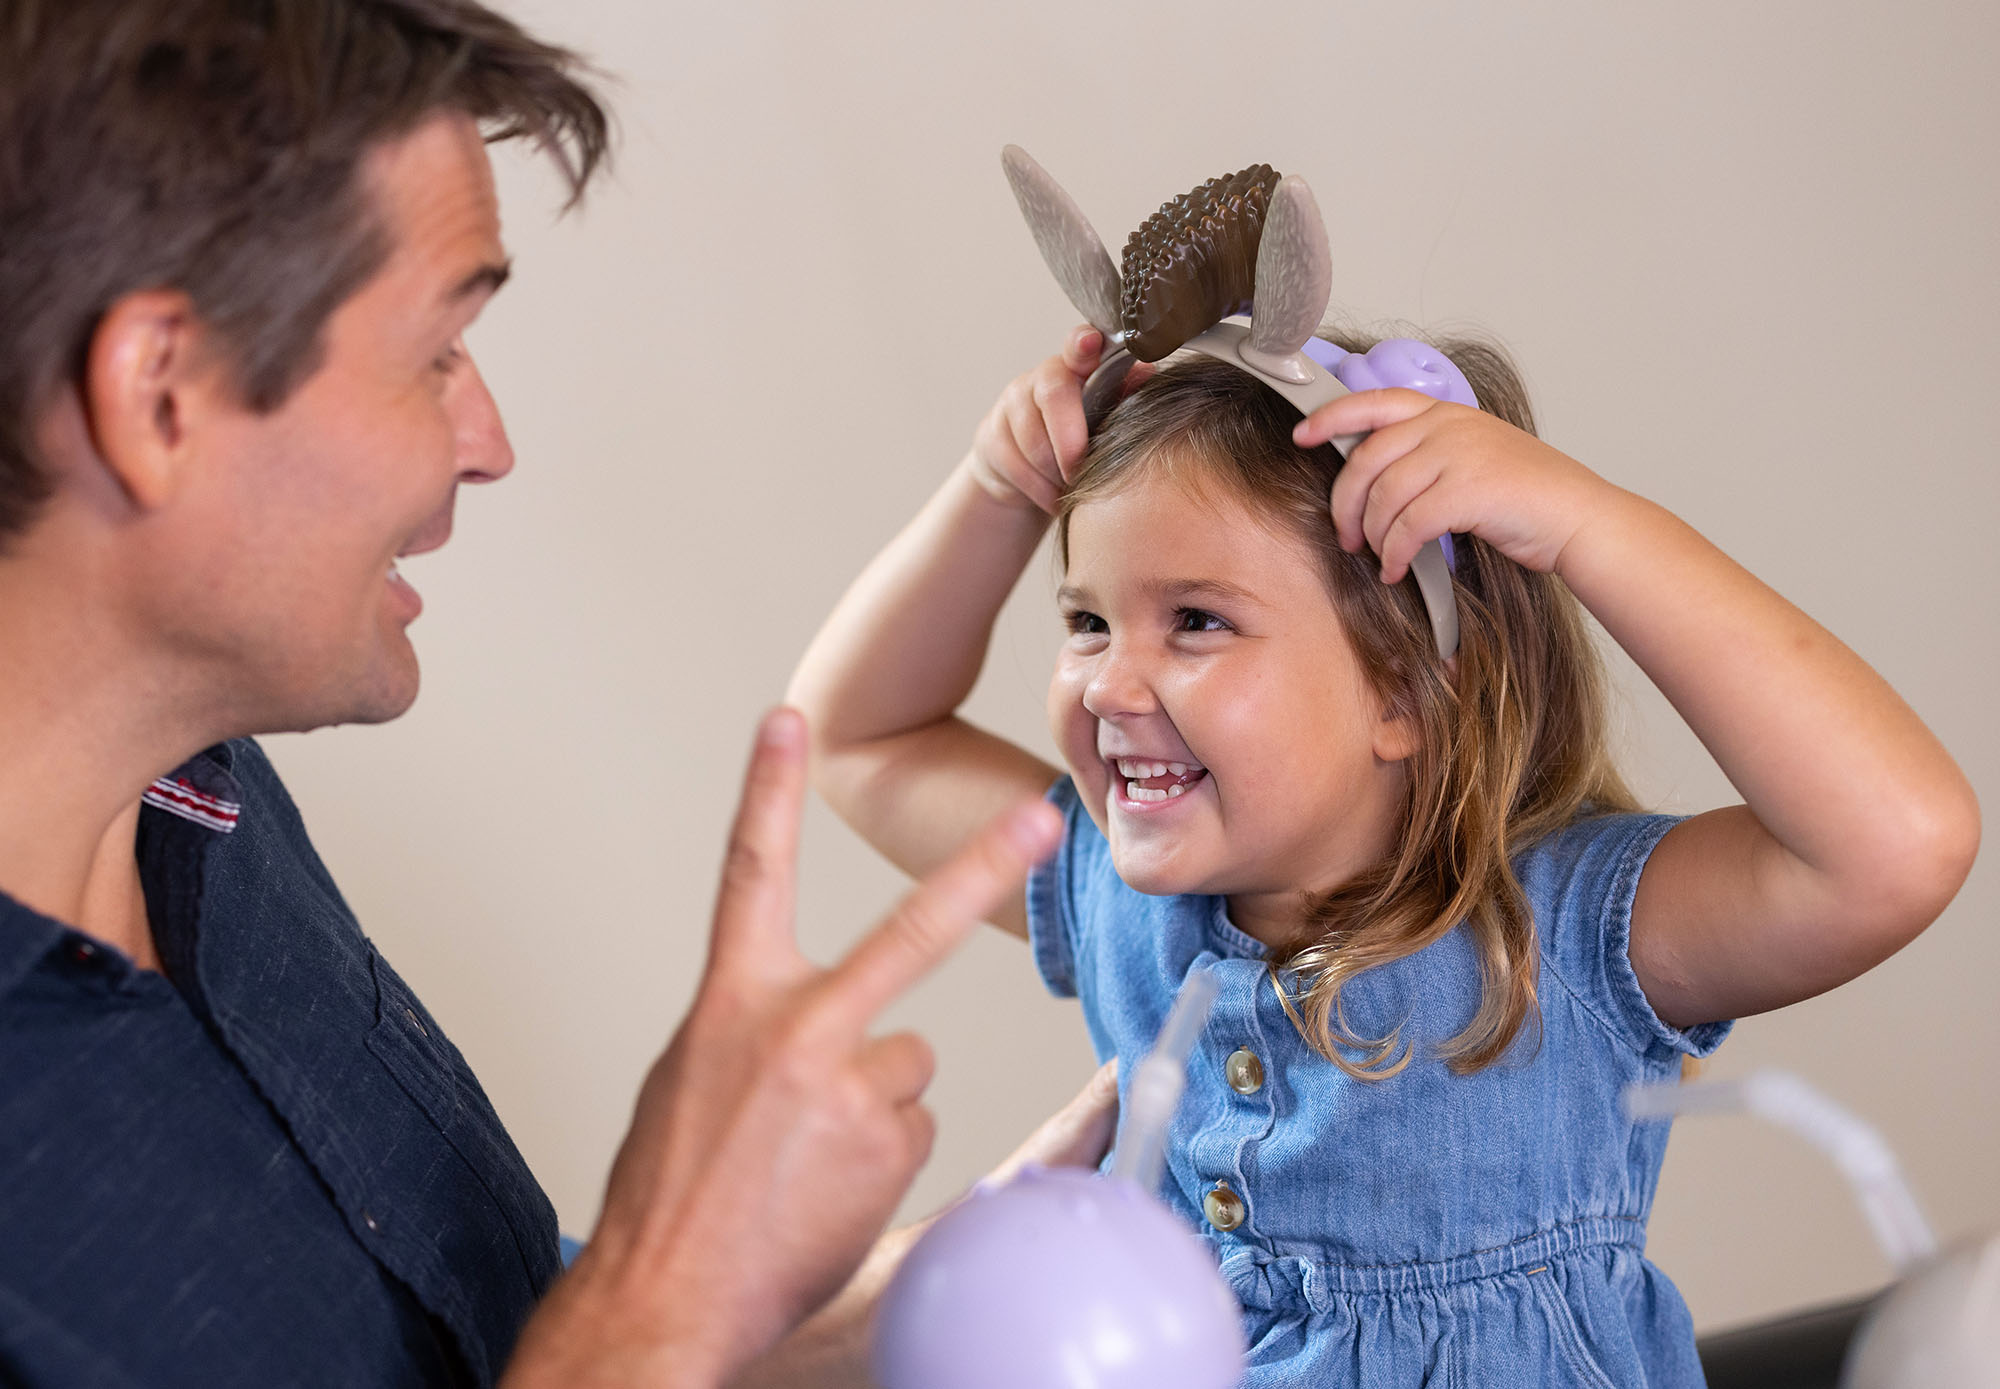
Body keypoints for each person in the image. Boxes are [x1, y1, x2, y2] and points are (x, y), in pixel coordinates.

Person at [0, 2, 1110, 1385]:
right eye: (437, 352)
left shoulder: (204, 803)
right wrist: (650, 1304)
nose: (491, 443)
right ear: (158, 394)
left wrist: (856, 1311)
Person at [786, 322, 1981, 1385]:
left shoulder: (1559, 930)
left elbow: (1894, 847)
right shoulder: (1114, 890)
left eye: (1194, 622)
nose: (1107, 680)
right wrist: (997, 489)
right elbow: (852, 739)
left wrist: (1588, 525)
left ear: (1404, 694)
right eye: (1087, 620)